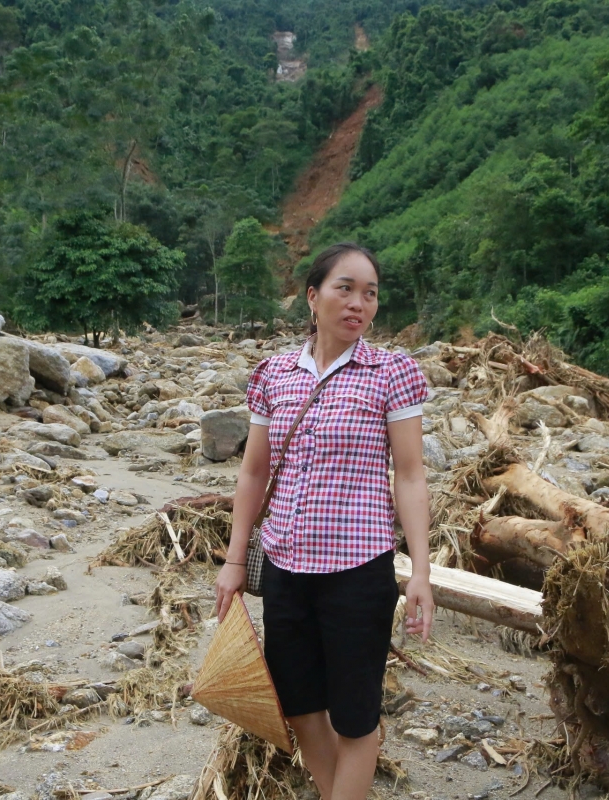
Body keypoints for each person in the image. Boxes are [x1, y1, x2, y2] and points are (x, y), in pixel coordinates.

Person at [213, 242, 435, 800]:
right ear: (312, 297)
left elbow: (409, 477)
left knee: (356, 718)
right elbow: (254, 472)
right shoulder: (274, 374)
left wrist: (421, 574)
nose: (358, 303)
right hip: (286, 568)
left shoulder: (393, 372)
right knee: (302, 706)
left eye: (371, 293)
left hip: (359, 572)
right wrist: (235, 560)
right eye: (345, 288)